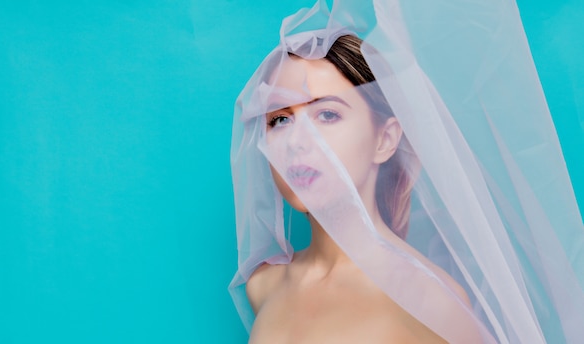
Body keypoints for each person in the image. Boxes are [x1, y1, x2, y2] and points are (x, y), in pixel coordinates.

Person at [229, 1, 584, 343]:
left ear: (385, 139)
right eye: (280, 119)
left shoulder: (432, 301)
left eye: (327, 115)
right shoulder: (266, 285)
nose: (296, 141)